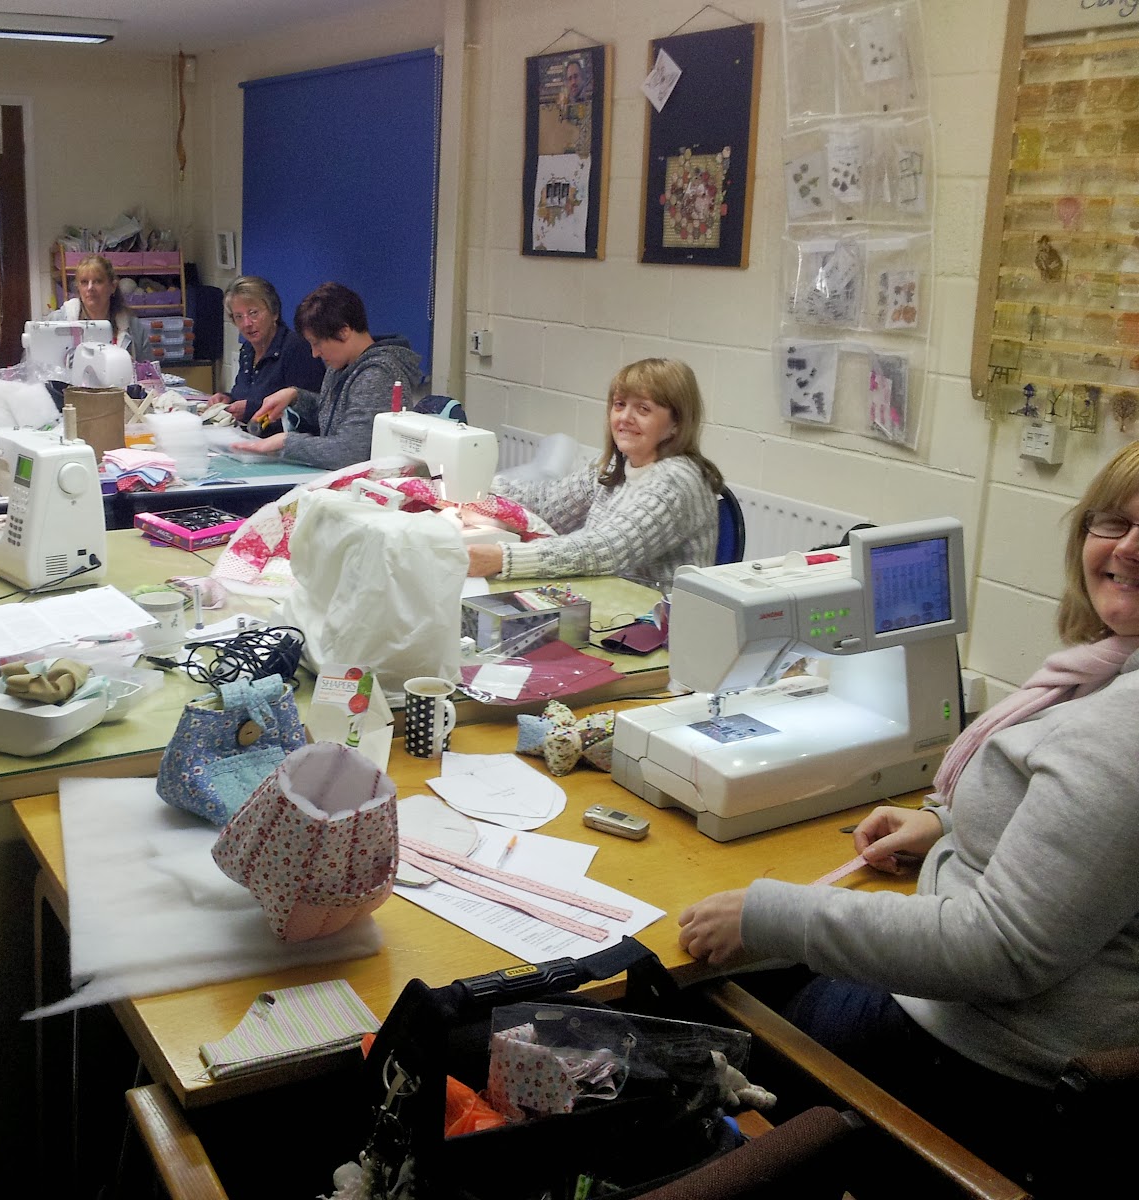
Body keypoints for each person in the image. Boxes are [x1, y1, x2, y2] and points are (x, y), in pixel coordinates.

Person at [676, 441, 1139, 1191]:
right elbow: (1090, 848)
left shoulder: (1124, 727)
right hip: (1015, 1023)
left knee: (701, 1008)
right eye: (1112, 522)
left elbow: (999, 950)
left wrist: (765, 913)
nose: (1127, 547)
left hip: (981, 1062)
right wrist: (950, 827)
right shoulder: (1108, 669)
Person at [468, 358, 721, 581]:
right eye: (619, 405)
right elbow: (546, 504)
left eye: (643, 409)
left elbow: (605, 549)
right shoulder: (613, 466)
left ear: (676, 424)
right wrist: (469, 485)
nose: (625, 418)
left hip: (653, 615)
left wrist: (504, 558)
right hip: (609, 600)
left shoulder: (677, 480)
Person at [228, 282, 425, 470]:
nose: (315, 353)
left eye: (317, 343)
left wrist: (286, 442)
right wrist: (295, 396)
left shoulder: (378, 375)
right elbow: (333, 415)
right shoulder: (341, 364)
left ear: (344, 331)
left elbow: (349, 453)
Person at [207, 276, 324, 436]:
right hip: (248, 439)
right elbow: (244, 395)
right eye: (239, 316)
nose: (247, 323)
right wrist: (227, 399)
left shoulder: (296, 348)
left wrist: (252, 411)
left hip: (284, 446)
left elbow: (310, 416)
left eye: (253, 313)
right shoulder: (248, 350)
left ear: (274, 313)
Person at [60, 252, 154, 363]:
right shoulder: (60, 320)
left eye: (98, 281)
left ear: (112, 286)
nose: (90, 288)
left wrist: (133, 367)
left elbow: (150, 371)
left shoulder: (133, 327)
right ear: (78, 288)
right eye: (84, 282)